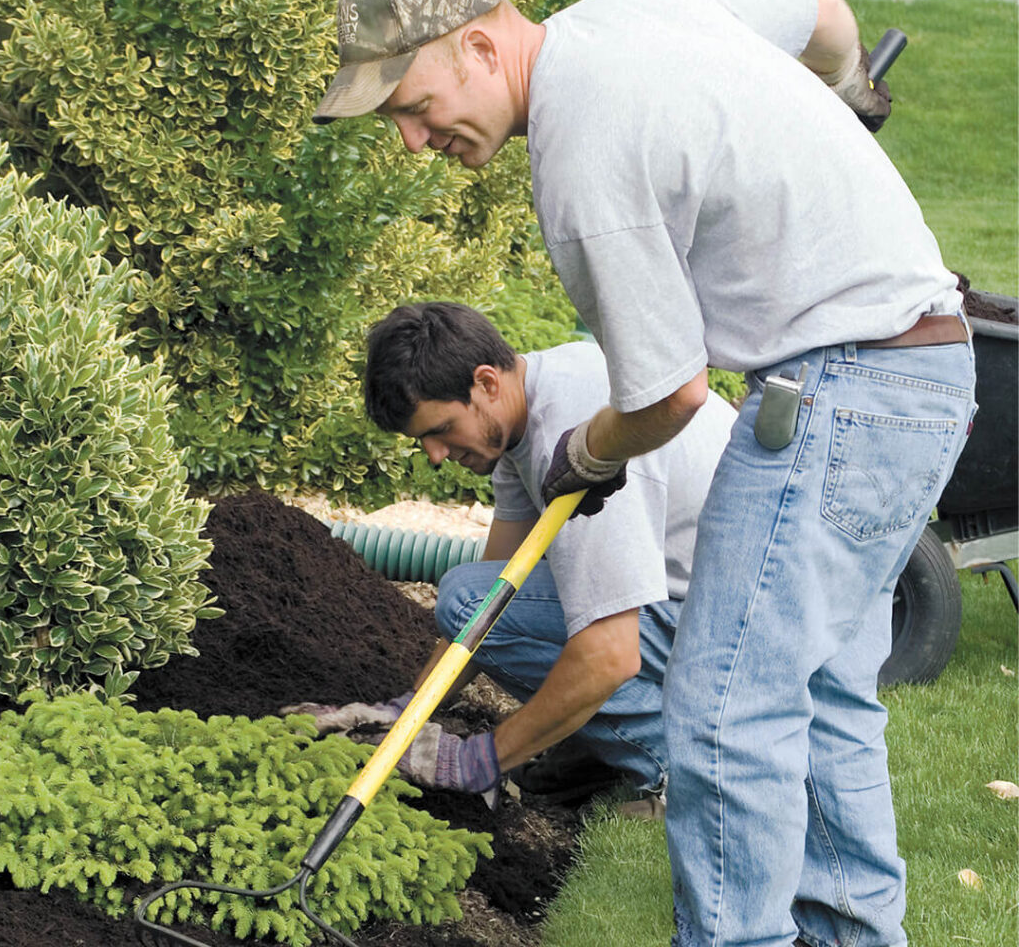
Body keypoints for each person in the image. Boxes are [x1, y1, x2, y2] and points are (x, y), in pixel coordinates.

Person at [311, 0, 977, 947]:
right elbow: (826, 14)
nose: (411, 139)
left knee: (723, 710)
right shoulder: (642, 8)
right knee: (825, 694)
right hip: (924, 370)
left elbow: (668, 393)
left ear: (478, 46)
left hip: (840, 387)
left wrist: (586, 452)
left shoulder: (580, 150)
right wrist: (848, 95)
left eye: (413, 104)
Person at [285, 301, 736, 813]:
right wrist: (408, 711)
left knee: (469, 600)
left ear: (486, 383)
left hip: (733, 630)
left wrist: (479, 761)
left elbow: (611, 654)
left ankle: (686, 769)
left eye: (441, 429)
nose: (435, 455)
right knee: (475, 600)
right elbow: (490, 604)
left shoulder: (577, 439)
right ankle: (604, 745)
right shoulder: (522, 417)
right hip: (694, 603)